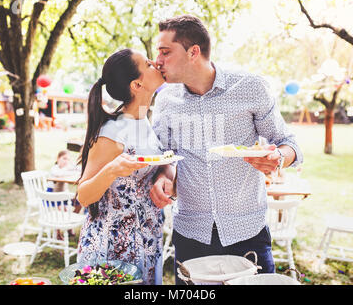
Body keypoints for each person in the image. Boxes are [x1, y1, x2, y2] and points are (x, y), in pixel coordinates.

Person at [149, 15, 304, 284]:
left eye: (165, 52)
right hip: (190, 233)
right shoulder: (165, 100)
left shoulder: (250, 87)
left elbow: (290, 144)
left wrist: (278, 158)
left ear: (193, 52)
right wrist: (164, 177)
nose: (157, 60)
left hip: (248, 233)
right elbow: (166, 157)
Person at [76, 48, 166, 285]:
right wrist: (112, 169)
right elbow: (84, 196)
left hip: (146, 242)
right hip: (113, 250)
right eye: (148, 64)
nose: (156, 62)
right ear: (137, 85)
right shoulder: (112, 133)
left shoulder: (144, 121)